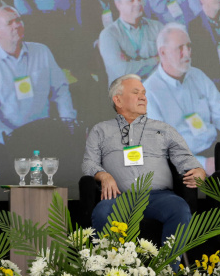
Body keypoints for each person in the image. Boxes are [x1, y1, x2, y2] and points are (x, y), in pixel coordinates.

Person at [82, 74, 205, 244]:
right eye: (136, 92)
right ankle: (112, 267)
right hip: (120, 198)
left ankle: (168, 269)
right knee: (102, 212)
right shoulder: (100, 130)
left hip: (159, 197)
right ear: (118, 100)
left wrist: (198, 170)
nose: (143, 97)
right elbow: (89, 163)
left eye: (144, 93)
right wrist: (103, 175)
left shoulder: (164, 129)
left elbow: (185, 159)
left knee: (179, 209)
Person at [143, 24, 220, 172]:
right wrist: (205, 165)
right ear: (162, 52)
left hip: (214, 148)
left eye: (189, 46)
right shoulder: (148, 93)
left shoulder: (197, 75)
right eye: (180, 48)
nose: (187, 53)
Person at [0, 6, 77, 144]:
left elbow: (61, 90)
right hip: (13, 141)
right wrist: (15, 141)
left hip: (49, 132)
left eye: (18, 20)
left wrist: (68, 123)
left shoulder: (42, 51)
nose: (16, 25)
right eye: (9, 23)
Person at [99, 0, 164, 81]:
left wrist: (132, 64)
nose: (138, 3)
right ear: (118, 5)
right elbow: (123, 71)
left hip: (157, 89)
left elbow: (170, 60)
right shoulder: (108, 35)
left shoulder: (157, 27)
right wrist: (156, 60)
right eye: (131, 0)